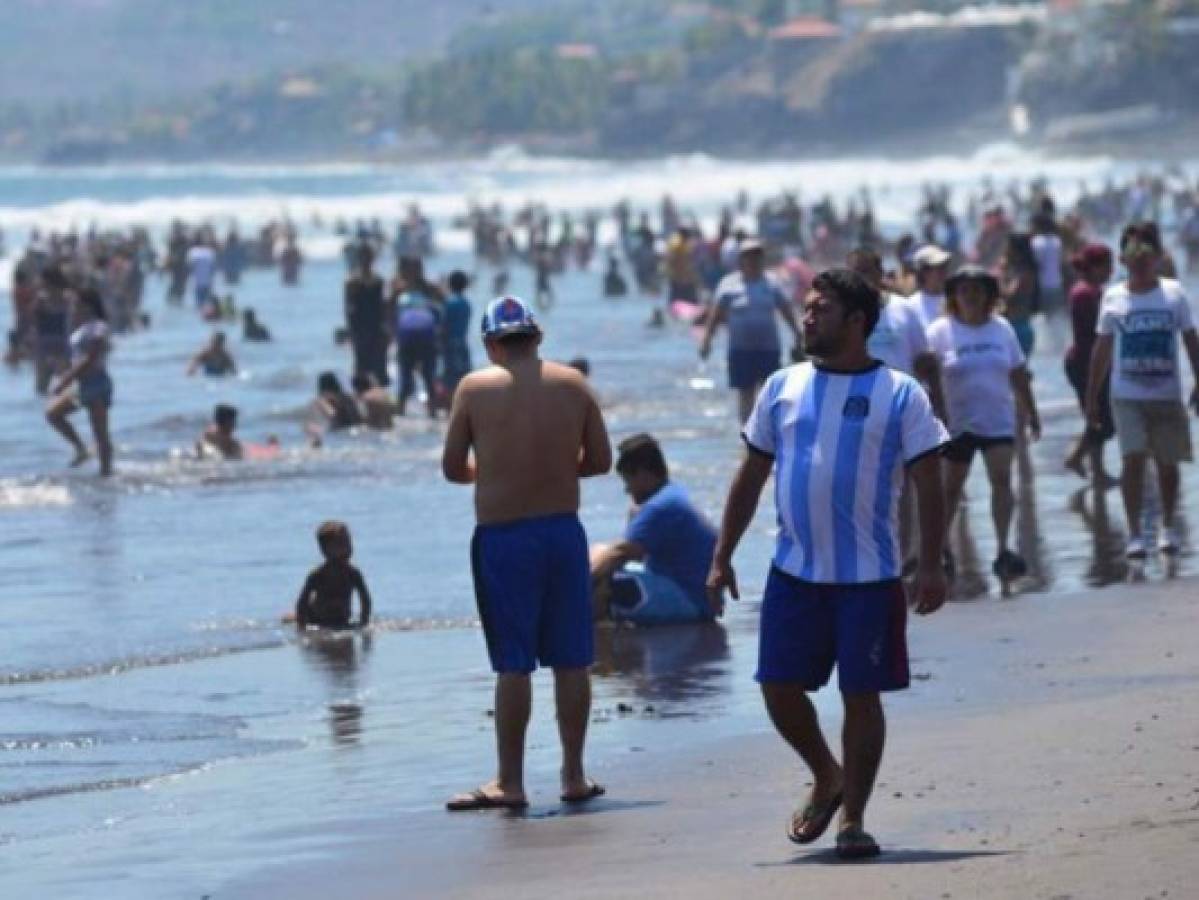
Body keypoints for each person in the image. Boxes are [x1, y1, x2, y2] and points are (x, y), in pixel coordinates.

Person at [706, 268, 948, 860]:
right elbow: (751, 473)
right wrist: (723, 553)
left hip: (870, 576)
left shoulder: (901, 393)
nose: (808, 316)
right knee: (777, 687)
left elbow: (928, 482)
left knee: (863, 695)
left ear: (858, 321)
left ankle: (854, 820)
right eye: (808, 307)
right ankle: (827, 773)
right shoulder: (782, 386)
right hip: (793, 571)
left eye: (821, 309)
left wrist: (934, 563)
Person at [441, 295, 612, 811]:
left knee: (513, 664)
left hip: (504, 537)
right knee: (571, 660)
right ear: (537, 338)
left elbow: (452, 468)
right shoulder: (574, 384)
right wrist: (555, 469)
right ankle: (574, 775)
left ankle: (510, 781)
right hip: (562, 532)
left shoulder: (474, 388)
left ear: (492, 344)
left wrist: (492, 471)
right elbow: (601, 461)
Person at [1086, 221, 1199, 560]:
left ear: (1157, 256)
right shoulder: (1113, 297)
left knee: (1167, 464)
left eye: (1145, 251)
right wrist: (1092, 397)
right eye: (1132, 252)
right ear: (1122, 259)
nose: (1139, 259)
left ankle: (1167, 526)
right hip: (1127, 396)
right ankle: (1135, 533)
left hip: (1167, 394)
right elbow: (1102, 349)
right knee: (1132, 459)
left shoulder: (1174, 295)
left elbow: (1191, 340)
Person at [926, 265, 1040, 585]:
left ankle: (1004, 548)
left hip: (997, 419)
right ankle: (940, 549)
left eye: (978, 290)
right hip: (956, 423)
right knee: (951, 489)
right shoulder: (939, 331)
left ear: (990, 296)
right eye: (964, 290)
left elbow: (1018, 372)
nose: (971, 296)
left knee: (1001, 480)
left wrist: (1031, 412)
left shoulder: (1001, 328)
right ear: (954, 296)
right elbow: (926, 375)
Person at [590, 434, 718, 626]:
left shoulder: (659, 508)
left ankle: (577, 626)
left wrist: (579, 586)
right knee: (597, 553)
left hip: (690, 600)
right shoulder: (673, 494)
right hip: (697, 594)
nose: (627, 490)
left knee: (605, 582)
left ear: (642, 473)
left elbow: (619, 554)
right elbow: (635, 555)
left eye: (628, 480)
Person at [699, 240, 802, 423]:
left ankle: (768, 437)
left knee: (770, 393)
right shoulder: (728, 284)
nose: (754, 260)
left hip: (768, 349)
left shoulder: (772, 283)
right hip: (740, 350)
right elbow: (715, 315)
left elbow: (786, 310)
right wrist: (707, 339)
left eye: (758, 256)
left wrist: (798, 333)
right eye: (749, 256)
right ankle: (747, 437)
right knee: (745, 394)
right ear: (741, 260)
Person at [45, 288, 114, 476]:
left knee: (100, 433)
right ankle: (81, 449)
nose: (72, 307)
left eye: (76, 303)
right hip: (83, 384)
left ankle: (106, 473)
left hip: (96, 382)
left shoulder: (98, 327)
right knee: (53, 414)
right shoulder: (81, 328)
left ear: (87, 305)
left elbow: (90, 358)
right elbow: (76, 357)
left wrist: (66, 380)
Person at [1063, 243, 1116, 485]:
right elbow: (1097, 332)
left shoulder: (1094, 290)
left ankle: (1097, 469)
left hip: (1093, 361)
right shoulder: (1084, 293)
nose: (1111, 270)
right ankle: (1077, 458)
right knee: (1102, 419)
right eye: (1107, 265)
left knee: (1100, 417)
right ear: (1095, 267)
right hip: (1085, 363)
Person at [293, 521, 372, 630]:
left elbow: (365, 599)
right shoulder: (317, 574)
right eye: (341, 544)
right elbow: (302, 601)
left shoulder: (353, 573)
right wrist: (302, 626)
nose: (348, 547)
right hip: (316, 619)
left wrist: (364, 622)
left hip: (342, 619)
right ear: (325, 550)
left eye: (348, 542)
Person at [391, 257, 442, 418]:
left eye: (416, 268)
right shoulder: (398, 290)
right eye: (409, 268)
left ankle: (433, 414)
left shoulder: (429, 288)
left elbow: (442, 309)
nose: (413, 272)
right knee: (405, 381)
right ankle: (399, 415)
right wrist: (393, 335)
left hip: (427, 338)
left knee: (428, 378)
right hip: (406, 339)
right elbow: (389, 313)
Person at [344, 244, 389, 388]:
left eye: (369, 256)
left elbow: (383, 306)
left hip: (376, 328)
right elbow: (349, 309)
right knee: (361, 367)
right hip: (360, 329)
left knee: (379, 367)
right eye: (364, 256)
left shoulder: (379, 280)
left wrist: (386, 328)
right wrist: (352, 332)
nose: (367, 260)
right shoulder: (352, 281)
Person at [442, 270, 473, 398]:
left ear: (449, 284)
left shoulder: (449, 302)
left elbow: (445, 324)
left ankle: (451, 404)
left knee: (450, 375)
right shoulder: (466, 303)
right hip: (462, 342)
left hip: (450, 343)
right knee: (463, 375)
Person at [905, 244, 951, 329]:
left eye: (944, 266)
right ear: (923, 272)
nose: (943, 271)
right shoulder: (910, 306)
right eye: (938, 267)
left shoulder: (957, 300)